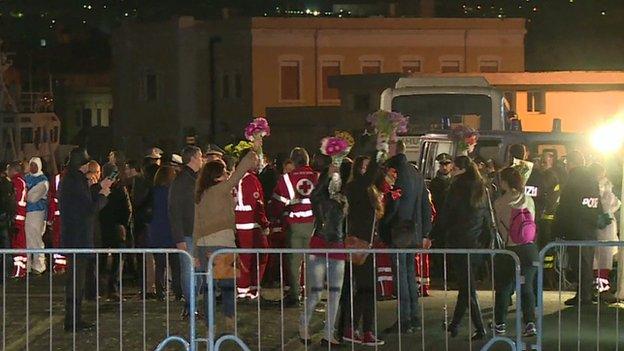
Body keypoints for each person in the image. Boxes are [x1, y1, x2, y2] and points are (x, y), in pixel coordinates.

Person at [193, 147, 259, 330]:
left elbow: (196, 225)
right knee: (228, 286)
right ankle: (230, 319)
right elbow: (238, 174)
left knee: (209, 288)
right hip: (222, 244)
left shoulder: (201, 194)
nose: (227, 174)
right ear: (217, 176)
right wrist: (252, 151)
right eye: (224, 172)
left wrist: (195, 253)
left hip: (204, 245)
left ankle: (210, 322)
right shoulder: (221, 190)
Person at [428, 156, 489, 340]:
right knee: (466, 286)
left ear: (461, 170)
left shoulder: (456, 188)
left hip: (459, 241)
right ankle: (455, 324)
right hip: (477, 243)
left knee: (467, 287)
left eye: (454, 168)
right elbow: (486, 215)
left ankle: (479, 327)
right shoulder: (481, 187)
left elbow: (446, 216)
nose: (451, 171)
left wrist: (432, 235)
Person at [299, 157, 349, 346]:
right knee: (316, 291)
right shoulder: (321, 199)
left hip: (337, 244)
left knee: (335, 292)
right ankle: (304, 324)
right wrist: (327, 177)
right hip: (320, 242)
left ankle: (329, 333)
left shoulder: (345, 198)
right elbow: (314, 196)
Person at [383, 141, 432, 334]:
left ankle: (404, 319)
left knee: (401, 277)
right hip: (414, 231)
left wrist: (385, 222)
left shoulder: (396, 173)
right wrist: (425, 232)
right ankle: (414, 317)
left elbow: (393, 204)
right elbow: (425, 206)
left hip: (399, 232)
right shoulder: (415, 173)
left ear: (394, 150)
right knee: (411, 276)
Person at [60, 148, 111, 332]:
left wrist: (99, 188)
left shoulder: (71, 180)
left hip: (74, 238)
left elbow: (83, 202)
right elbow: (88, 210)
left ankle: (74, 319)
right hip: (78, 239)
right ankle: (73, 320)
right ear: (82, 164)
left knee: (76, 282)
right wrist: (103, 196)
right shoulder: (75, 182)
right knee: (75, 283)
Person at [342, 144, 386, 347]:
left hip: (367, 242)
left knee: (365, 289)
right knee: (365, 288)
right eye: (365, 167)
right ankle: (359, 329)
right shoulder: (355, 187)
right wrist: (379, 150)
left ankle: (359, 328)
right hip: (359, 242)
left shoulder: (369, 189)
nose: (368, 171)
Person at [492, 167, 539, 337]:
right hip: (529, 250)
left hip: (510, 251)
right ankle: (530, 323)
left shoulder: (499, 203)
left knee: (504, 288)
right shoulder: (529, 200)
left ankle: (500, 324)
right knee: (526, 287)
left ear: (504, 182)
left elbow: (497, 227)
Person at [271, 147, 318, 306]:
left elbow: (278, 203)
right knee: (311, 261)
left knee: (294, 262)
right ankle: (312, 294)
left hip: (295, 224)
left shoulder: (287, 179)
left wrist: (280, 216)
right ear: (307, 160)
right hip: (314, 225)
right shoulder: (316, 176)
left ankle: (295, 295)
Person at [554, 151, 601, 306]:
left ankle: (583, 295)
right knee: (586, 262)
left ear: (572, 163)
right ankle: (584, 293)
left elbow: (566, 206)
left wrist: (558, 228)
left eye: (567, 163)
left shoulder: (573, 179)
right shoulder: (592, 179)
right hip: (589, 228)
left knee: (579, 263)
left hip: (576, 228)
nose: (566, 166)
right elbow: (595, 203)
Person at [169, 145, 203, 318]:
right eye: (200, 156)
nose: (202, 160)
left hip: (198, 234)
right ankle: (191, 306)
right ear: (194, 158)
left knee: (199, 273)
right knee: (190, 272)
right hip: (188, 235)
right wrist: (179, 238)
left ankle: (192, 304)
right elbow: (174, 210)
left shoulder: (196, 179)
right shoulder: (182, 181)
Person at [234, 147, 270, 300]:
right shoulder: (250, 179)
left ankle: (247, 288)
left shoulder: (235, 177)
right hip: (250, 225)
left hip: (241, 224)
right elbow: (258, 205)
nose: (257, 162)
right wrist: (265, 224)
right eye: (255, 159)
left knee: (247, 258)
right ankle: (248, 289)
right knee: (258, 256)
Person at [148, 165, 182, 301]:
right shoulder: (172, 192)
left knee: (160, 265)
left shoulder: (153, 192)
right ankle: (178, 291)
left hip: (156, 231)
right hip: (171, 230)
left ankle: (160, 292)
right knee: (175, 264)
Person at [98, 164, 132, 300]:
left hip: (104, 227)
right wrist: (124, 224)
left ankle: (101, 289)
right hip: (116, 228)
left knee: (102, 259)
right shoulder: (120, 189)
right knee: (117, 260)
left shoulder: (100, 188)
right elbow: (127, 209)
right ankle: (112, 288)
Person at [588, 163, 620, 303]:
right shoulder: (606, 188)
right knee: (604, 260)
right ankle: (603, 290)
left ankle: (598, 289)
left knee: (598, 260)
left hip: (598, 226)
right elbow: (613, 205)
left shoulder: (595, 187)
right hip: (605, 227)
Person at [24, 157, 49, 274]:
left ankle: (39, 265)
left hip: (37, 213)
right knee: (27, 240)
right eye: (31, 165)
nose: (32, 167)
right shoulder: (26, 178)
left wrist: (26, 195)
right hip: (26, 213)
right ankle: (27, 265)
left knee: (36, 239)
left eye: (35, 165)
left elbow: (32, 197)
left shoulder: (43, 181)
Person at [8, 161, 27, 278]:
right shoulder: (21, 181)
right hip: (19, 216)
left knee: (18, 244)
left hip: (17, 217)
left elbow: (14, 200)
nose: (7, 172)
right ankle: (20, 269)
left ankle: (19, 270)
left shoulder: (16, 182)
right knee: (19, 243)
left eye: (8, 169)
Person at [0, 165, 15, 280]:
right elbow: (10, 201)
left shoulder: (6, 184)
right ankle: (6, 272)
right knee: (5, 246)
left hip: (3, 217)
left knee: (5, 245)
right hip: (4, 218)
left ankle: (6, 272)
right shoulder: (7, 183)